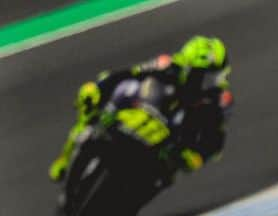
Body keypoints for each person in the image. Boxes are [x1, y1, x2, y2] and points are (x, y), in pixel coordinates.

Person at [48, 35, 233, 182]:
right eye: (200, 75)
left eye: (212, 77)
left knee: (166, 175)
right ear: (186, 66)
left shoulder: (217, 101)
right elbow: (127, 74)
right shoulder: (167, 65)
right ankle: (65, 158)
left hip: (170, 146)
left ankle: (132, 198)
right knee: (91, 103)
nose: (204, 83)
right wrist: (99, 89)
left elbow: (215, 142)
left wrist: (196, 157)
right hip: (141, 113)